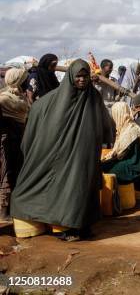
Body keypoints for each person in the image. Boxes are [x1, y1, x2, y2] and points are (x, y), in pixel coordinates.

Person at [10, 60, 114, 241]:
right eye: (78, 76)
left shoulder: (94, 97)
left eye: (85, 76)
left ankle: (82, 225)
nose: (82, 80)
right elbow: (39, 113)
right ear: (71, 76)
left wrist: (107, 138)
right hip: (64, 154)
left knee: (82, 187)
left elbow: (105, 121)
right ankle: (67, 228)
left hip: (85, 152)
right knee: (68, 187)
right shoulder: (54, 100)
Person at [0, 68, 30, 222]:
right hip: (8, 138)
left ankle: (10, 207)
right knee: (7, 172)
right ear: (18, 81)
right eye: (25, 80)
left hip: (19, 137)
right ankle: (3, 211)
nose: (28, 82)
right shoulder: (4, 99)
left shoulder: (20, 97)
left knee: (15, 172)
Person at [101, 102, 140, 184]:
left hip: (133, 168)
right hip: (132, 162)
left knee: (103, 168)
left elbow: (120, 155)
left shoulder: (129, 131)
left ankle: (113, 195)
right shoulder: (128, 126)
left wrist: (106, 160)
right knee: (104, 165)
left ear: (119, 114)